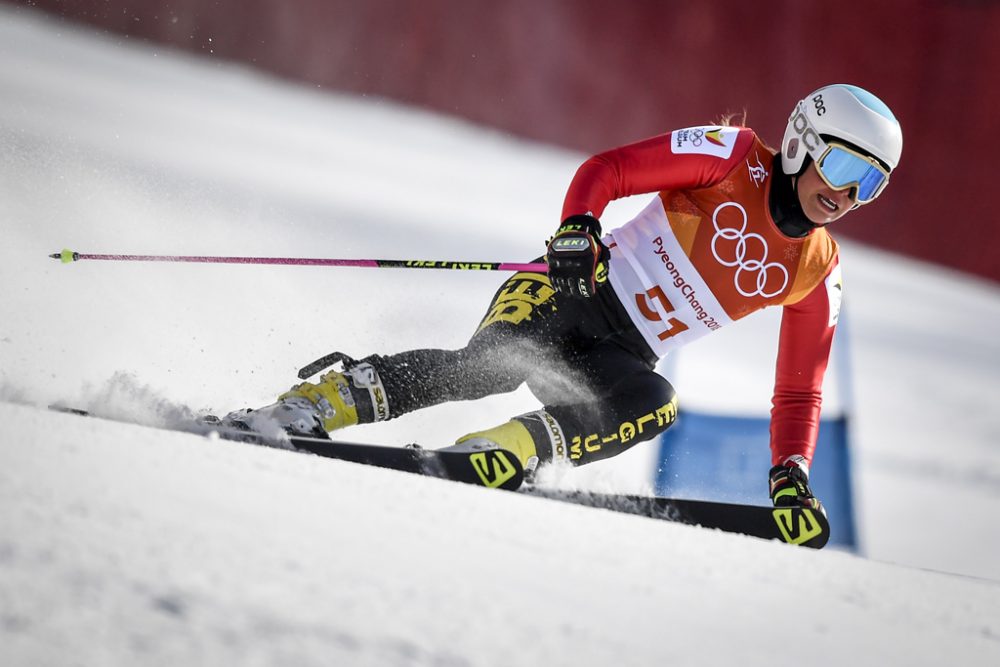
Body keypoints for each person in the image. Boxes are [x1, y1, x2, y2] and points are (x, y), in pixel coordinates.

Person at [224, 83, 902, 512]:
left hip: (619, 354)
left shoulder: (819, 269)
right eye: (842, 166)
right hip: (569, 289)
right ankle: (310, 405)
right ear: (803, 143)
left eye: (868, 184)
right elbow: (606, 170)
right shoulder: (732, 156)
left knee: (656, 402)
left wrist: (791, 469)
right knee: (488, 369)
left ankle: (502, 451)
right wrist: (578, 229)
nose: (845, 195)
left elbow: (798, 395)